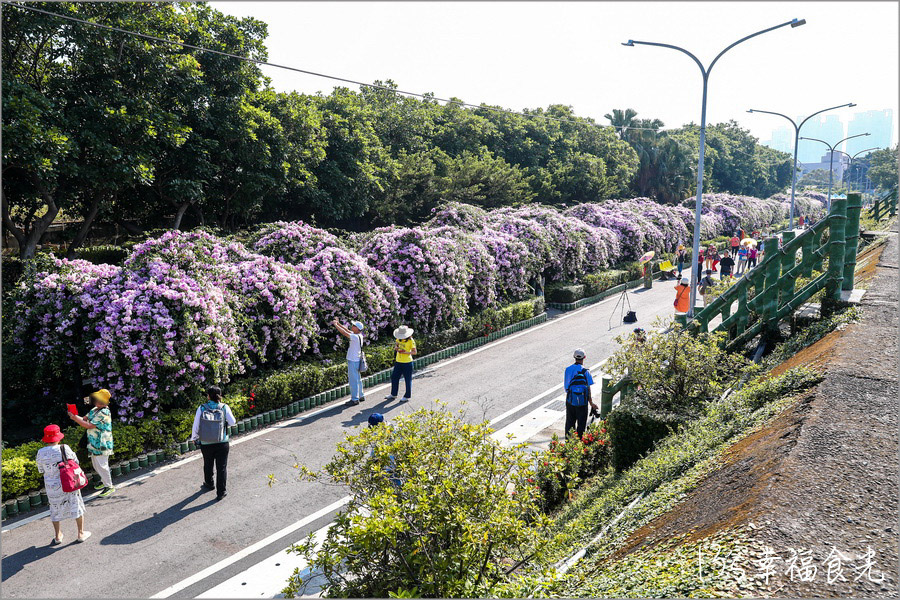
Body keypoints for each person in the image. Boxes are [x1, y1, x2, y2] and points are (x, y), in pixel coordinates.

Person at [36, 425, 89, 544]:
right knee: (75, 505)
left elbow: (40, 470)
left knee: (55, 509)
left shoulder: (40, 452)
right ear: (58, 437)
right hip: (68, 483)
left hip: (51, 487)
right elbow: (76, 463)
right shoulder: (64, 448)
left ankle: (58, 536)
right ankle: (80, 533)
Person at [190, 386, 236, 500]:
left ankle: (209, 483)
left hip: (206, 443)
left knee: (208, 463)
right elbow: (233, 422)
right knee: (222, 467)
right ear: (220, 395)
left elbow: (196, 425)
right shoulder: (225, 407)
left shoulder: (201, 408)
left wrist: (194, 438)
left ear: (208, 396)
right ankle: (221, 492)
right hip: (222, 442)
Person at [67, 389, 115, 497]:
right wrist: (74, 415)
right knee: (96, 464)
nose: (94, 400)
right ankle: (104, 482)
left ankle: (109, 486)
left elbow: (88, 425)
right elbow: (84, 419)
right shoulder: (95, 409)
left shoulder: (104, 412)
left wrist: (74, 418)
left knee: (102, 465)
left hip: (102, 443)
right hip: (93, 442)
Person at [563, 349, 597, 439]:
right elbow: (588, 388)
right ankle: (579, 444)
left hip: (570, 400)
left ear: (574, 357)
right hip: (583, 402)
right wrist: (591, 403)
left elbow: (566, 388)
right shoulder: (586, 371)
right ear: (584, 357)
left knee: (570, 423)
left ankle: (568, 444)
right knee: (581, 424)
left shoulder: (568, 369)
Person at [333, 318, 366, 405]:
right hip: (357, 360)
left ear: (357, 328)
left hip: (353, 360)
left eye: (354, 325)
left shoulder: (354, 337)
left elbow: (344, 333)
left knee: (353, 380)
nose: (352, 326)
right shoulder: (359, 335)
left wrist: (335, 325)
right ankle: (361, 395)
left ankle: (355, 399)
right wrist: (338, 323)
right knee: (358, 379)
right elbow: (346, 330)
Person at [384, 325, 417, 403]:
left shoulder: (411, 341)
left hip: (407, 363)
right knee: (394, 377)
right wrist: (396, 348)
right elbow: (396, 345)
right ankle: (393, 394)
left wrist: (405, 352)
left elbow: (414, 352)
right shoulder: (398, 339)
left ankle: (407, 396)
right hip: (398, 361)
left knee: (407, 380)